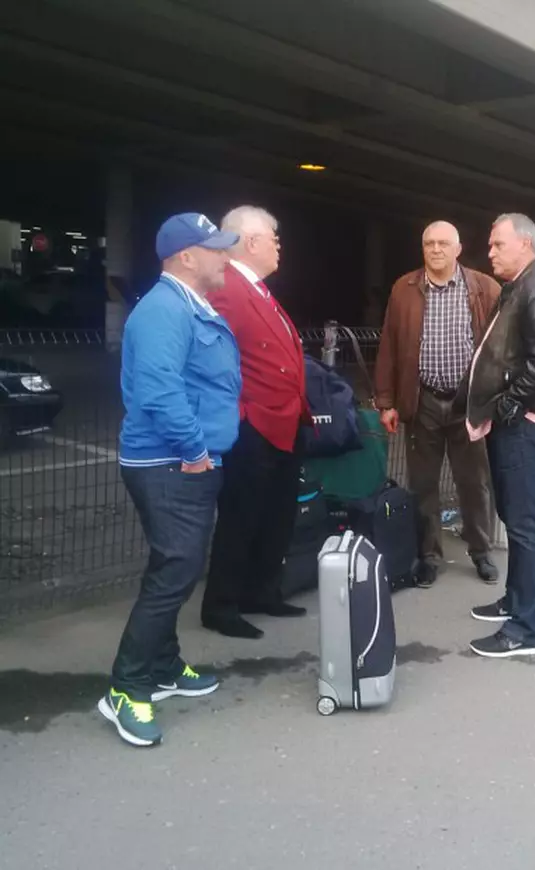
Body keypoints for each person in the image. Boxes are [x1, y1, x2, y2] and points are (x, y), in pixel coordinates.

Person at [98, 212, 241, 747]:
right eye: (217, 249)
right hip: (170, 462)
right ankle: (126, 688)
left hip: (182, 460)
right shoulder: (163, 310)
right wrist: (198, 451)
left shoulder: (186, 304)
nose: (226, 257)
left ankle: (162, 666)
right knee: (176, 570)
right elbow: (160, 392)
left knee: (173, 567)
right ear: (187, 257)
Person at [459, 213, 535, 658]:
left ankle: (526, 630)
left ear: (524, 244)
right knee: (516, 517)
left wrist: (513, 400)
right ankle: (516, 602)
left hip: (527, 425)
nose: (489, 252)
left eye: (497, 244)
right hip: (518, 421)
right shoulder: (524, 285)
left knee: (526, 526)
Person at [200, 206, 309, 639]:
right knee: (241, 516)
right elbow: (213, 358)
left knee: (276, 514)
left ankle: (261, 590)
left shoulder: (258, 290)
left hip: (283, 420)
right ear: (250, 242)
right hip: (254, 423)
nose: (279, 245)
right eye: (274, 238)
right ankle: (222, 604)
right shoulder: (227, 286)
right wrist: (239, 410)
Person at [374, 220, 501, 588]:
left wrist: (497, 395)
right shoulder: (404, 289)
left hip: (468, 404)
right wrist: (386, 401)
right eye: (429, 243)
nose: (435, 249)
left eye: (444, 243)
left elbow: (502, 346)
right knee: (423, 484)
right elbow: (389, 348)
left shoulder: (484, 288)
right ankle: (428, 555)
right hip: (423, 400)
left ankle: (480, 550)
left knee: (474, 482)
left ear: (458, 249)